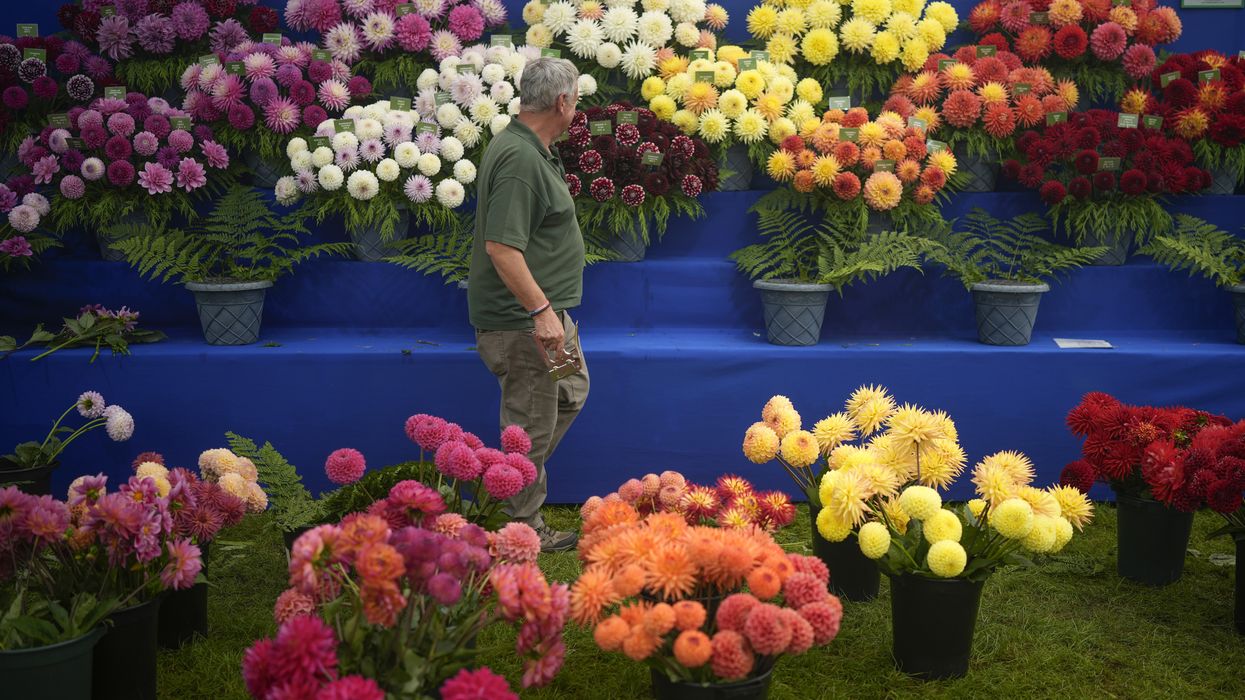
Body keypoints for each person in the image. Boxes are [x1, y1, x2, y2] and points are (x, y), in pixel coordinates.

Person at [468, 57, 587, 553]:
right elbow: (501, 247)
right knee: (532, 419)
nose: (577, 108)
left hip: (545, 317)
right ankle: (517, 522)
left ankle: (506, 486)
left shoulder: (528, 146)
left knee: (569, 390)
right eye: (576, 99)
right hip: (526, 323)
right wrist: (540, 313)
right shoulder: (519, 160)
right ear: (562, 101)